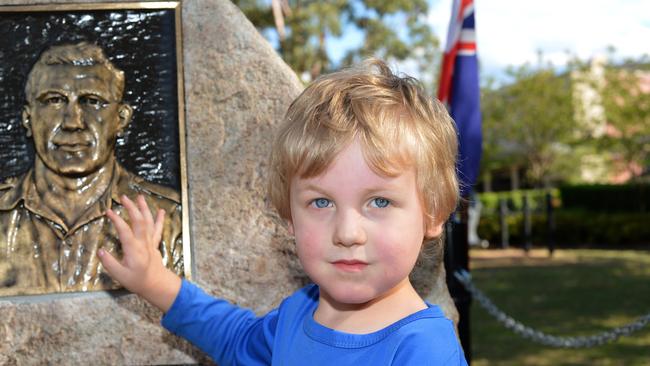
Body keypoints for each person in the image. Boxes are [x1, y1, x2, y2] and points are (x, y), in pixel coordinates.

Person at [98, 59, 468, 365]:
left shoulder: (423, 351)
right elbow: (236, 339)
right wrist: (153, 281)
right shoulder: (297, 315)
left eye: (380, 202)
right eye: (321, 202)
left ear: (433, 213)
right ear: (290, 218)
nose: (347, 232)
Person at [0, 42, 183, 296]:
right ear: (27, 119)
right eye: (54, 100)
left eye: (92, 101)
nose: (73, 122)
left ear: (121, 119)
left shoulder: (172, 220)